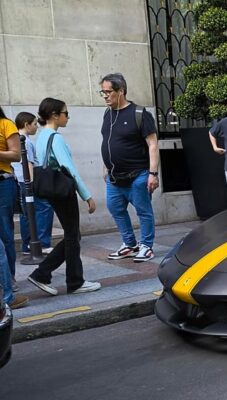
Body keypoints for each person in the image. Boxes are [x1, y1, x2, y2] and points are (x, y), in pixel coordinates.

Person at [27, 98, 101, 296]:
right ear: (54, 115)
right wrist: (87, 196)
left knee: (72, 235)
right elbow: (69, 169)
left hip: (51, 190)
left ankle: (43, 273)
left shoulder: (42, 136)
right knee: (72, 235)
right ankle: (73, 281)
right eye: (65, 113)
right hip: (63, 191)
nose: (68, 117)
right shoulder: (55, 138)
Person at [100, 72, 159, 262]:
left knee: (143, 210)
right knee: (115, 208)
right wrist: (105, 166)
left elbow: (152, 144)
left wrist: (153, 173)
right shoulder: (108, 114)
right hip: (114, 177)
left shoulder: (140, 114)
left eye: (108, 92)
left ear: (121, 91)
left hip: (138, 174)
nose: (105, 96)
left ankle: (147, 246)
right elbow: (108, 141)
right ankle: (130, 244)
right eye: (102, 92)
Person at [11, 112, 54, 254]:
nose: (36, 127)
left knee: (26, 214)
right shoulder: (25, 141)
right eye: (34, 124)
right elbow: (28, 164)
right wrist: (32, 184)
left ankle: (27, 246)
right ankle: (42, 243)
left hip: (18, 181)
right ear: (26, 125)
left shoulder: (14, 139)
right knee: (44, 207)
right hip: (27, 182)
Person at [0, 107, 29, 309]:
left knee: (5, 234)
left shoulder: (6, 124)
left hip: (3, 183)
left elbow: (16, 155)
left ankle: (9, 280)